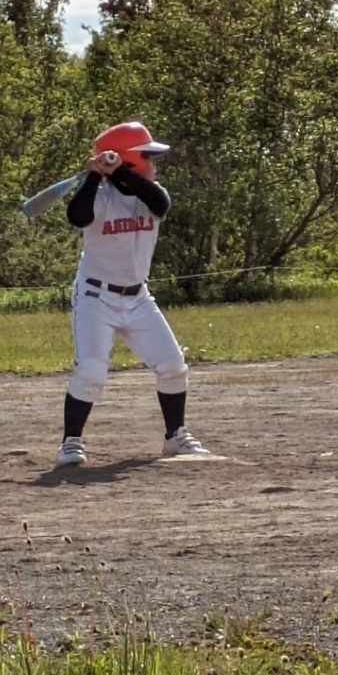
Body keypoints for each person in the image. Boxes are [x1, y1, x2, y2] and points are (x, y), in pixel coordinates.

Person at [55, 120, 212, 466]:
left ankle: (175, 436)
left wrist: (120, 172)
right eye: (147, 157)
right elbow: (77, 215)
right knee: (92, 371)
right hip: (96, 296)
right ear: (131, 159)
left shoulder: (150, 196)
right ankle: (71, 441)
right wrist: (95, 175)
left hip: (138, 296)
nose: (153, 165)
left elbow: (160, 203)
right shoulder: (100, 197)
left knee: (172, 365)